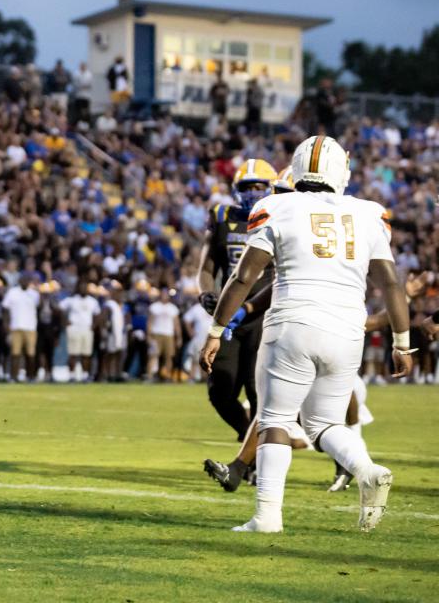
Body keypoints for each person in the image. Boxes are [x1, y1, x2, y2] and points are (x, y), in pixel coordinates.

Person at [200, 135, 410, 533]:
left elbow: (246, 276)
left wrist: (215, 330)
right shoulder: (368, 213)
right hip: (348, 331)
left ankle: (266, 517)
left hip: (293, 324)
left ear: (296, 169)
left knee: (275, 419)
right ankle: (366, 469)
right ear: (340, 170)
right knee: (323, 424)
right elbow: (392, 285)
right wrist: (402, 342)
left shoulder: (275, 206)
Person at [197, 159, 277, 439]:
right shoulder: (221, 216)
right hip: (229, 314)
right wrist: (205, 293)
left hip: (263, 314)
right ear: (235, 189)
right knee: (220, 388)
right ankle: (247, 438)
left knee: (258, 390)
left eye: (259, 186)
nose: (254, 192)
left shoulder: (280, 218)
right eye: (247, 186)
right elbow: (206, 268)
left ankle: (254, 460)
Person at [60, 283, 101, 382]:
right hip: (74, 328)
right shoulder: (72, 300)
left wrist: (94, 325)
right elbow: (60, 308)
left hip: (87, 329)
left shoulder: (92, 301)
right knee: (73, 354)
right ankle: (71, 376)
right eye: (81, 287)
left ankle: (85, 375)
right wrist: (65, 321)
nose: (83, 289)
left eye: (85, 288)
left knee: (86, 354)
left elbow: (98, 314)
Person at [2, 275, 39, 382]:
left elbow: (39, 306)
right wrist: (6, 324)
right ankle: (14, 376)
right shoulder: (12, 292)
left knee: (30, 354)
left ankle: (30, 376)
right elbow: (5, 309)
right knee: (15, 353)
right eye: (23, 280)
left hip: (31, 327)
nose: (25, 282)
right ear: (19, 281)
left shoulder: (34, 294)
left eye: (27, 280)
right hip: (16, 326)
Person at [147, 288, 181, 382]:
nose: (164, 295)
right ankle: (150, 376)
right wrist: (149, 335)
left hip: (169, 334)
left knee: (169, 356)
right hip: (156, 333)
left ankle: (166, 376)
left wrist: (178, 337)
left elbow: (176, 324)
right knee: (153, 355)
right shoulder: (154, 306)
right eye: (163, 293)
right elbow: (150, 322)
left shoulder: (173, 308)